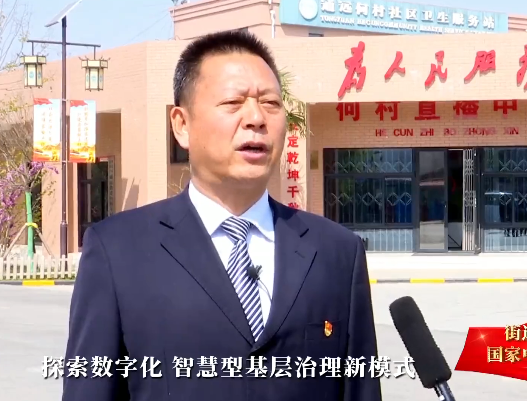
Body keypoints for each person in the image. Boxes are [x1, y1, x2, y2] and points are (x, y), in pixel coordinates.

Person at [62, 30, 381, 401]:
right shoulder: (117, 251)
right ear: (181, 125)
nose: (256, 118)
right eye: (233, 102)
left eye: (271, 103)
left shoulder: (337, 252)